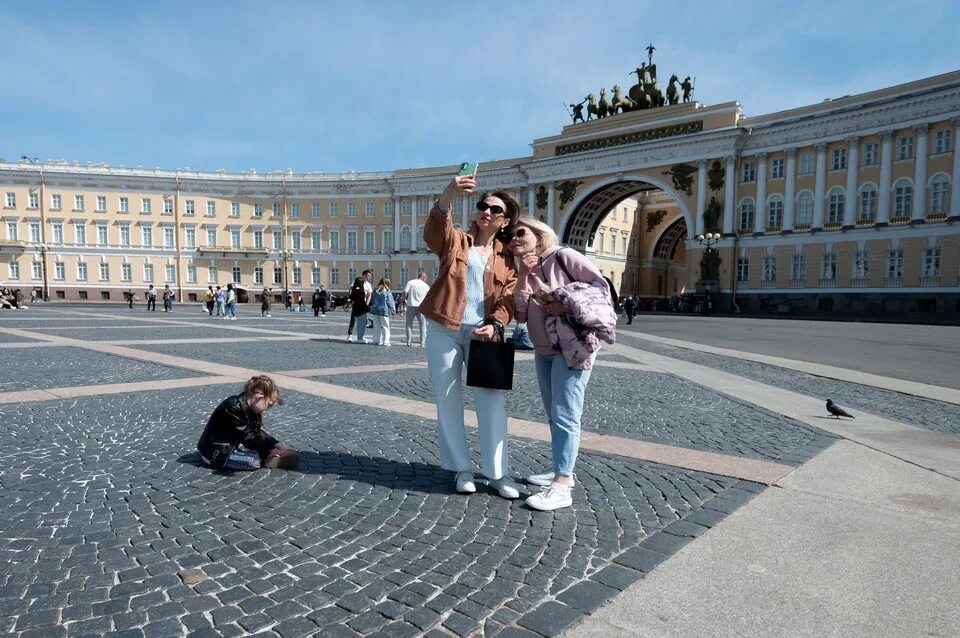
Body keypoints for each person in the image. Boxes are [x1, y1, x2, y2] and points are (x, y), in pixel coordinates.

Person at [419, 173, 521, 499]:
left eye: (494, 209)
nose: (486, 212)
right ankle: (461, 469)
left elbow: (508, 297)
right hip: (445, 329)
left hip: (485, 335)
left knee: (492, 405)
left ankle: (498, 474)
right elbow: (435, 233)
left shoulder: (508, 258)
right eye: (483, 206)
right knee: (447, 401)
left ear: (505, 221)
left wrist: (497, 324)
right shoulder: (458, 241)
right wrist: (447, 196)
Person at [511, 217, 617, 511]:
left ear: (539, 235)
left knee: (565, 413)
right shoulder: (524, 268)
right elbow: (520, 314)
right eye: (511, 236)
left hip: (572, 347)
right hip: (543, 349)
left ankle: (562, 482)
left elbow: (601, 287)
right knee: (552, 412)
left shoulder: (564, 256)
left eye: (521, 233)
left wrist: (565, 303)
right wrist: (523, 275)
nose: (514, 239)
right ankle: (561, 468)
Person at [197, 375, 300, 471]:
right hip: (215, 452)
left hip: (231, 446)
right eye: (268, 405)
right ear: (259, 397)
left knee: (257, 452)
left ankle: (265, 456)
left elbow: (257, 432)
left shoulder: (253, 408)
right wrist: (268, 452)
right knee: (253, 462)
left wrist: (274, 443)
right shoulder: (233, 407)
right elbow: (247, 437)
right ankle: (266, 459)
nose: (267, 409)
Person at [402, 271, 430, 347]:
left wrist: (404, 300)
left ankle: (408, 341)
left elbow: (405, 292)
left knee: (409, 324)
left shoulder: (410, 282)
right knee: (422, 325)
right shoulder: (426, 286)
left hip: (410, 305)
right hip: (421, 306)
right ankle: (422, 343)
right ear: (424, 278)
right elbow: (428, 297)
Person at [346, 270, 373, 342]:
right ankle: (350, 334)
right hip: (356, 303)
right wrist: (351, 300)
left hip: (363, 304)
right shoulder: (358, 281)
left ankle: (361, 336)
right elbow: (351, 290)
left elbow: (369, 295)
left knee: (364, 320)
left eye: (370, 276)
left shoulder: (368, 284)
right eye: (368, 276)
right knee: (353, 319)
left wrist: (367, 304)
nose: (369, 277)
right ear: (364, 275)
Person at [370, 277, 396, 346]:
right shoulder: (387, 291)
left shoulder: (375, 290)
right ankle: (386, 341)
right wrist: (393, 311)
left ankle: (376, 340)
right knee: (386, 327)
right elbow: (390, 302)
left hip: (375, 310)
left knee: (376, 326)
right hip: (383, 310)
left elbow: (372, 300)